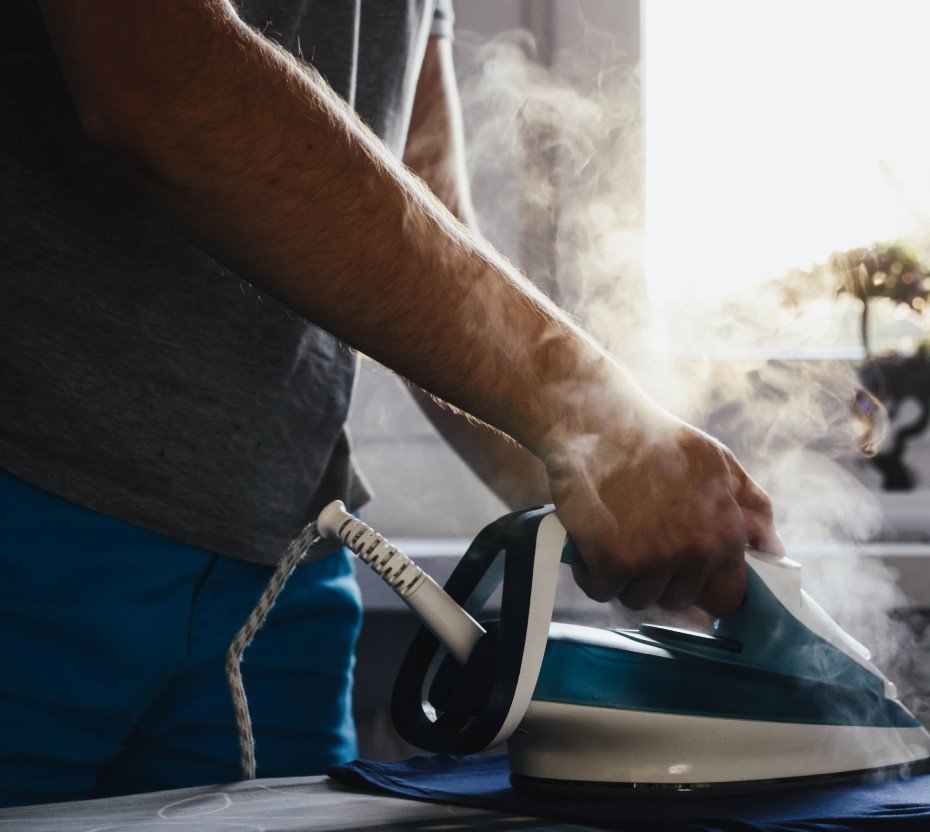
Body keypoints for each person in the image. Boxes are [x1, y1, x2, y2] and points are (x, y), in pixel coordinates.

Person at [0, 0, 781, 807]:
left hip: (284, 564)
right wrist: (599, 425)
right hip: (35, 514)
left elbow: (419, 216)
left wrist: (642, 513)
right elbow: (160, 77)